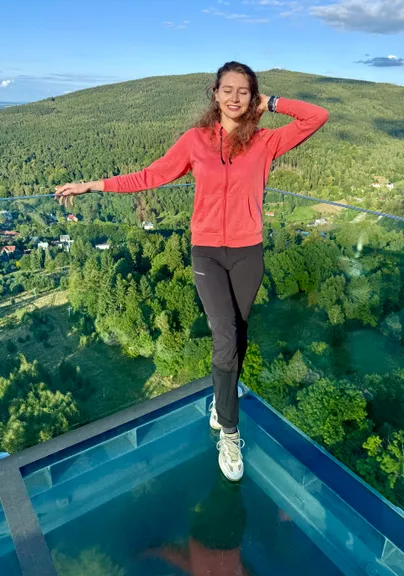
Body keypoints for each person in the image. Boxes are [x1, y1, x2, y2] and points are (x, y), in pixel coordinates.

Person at [54, 60, 329, 482]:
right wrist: (92, 185)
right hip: (207, 253)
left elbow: (317, 116)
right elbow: (150, 176)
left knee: (238, 333)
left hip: (248, 252)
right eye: (227, 89)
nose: (235, 97)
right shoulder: (195, 141)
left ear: (252, 96)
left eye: (244, 91)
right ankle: (230, 432)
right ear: (214, 94)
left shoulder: (265, 141)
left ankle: (221, 400)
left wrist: (271, 102)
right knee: (225, 334)